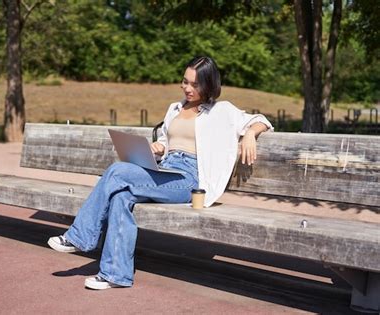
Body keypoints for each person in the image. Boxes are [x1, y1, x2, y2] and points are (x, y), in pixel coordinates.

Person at [48, 56, 273, 290]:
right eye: (184, 82)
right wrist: (159, 147)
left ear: (209, 84)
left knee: (117, 172)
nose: (187, 88)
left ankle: (80, 236)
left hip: (189, 179)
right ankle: (115, 274)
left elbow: (261, 120)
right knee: (121, 197)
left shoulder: (222, 110)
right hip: (166, 170)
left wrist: (249, 134)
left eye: (194, 85)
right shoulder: (175, 109)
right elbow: (167, 139)